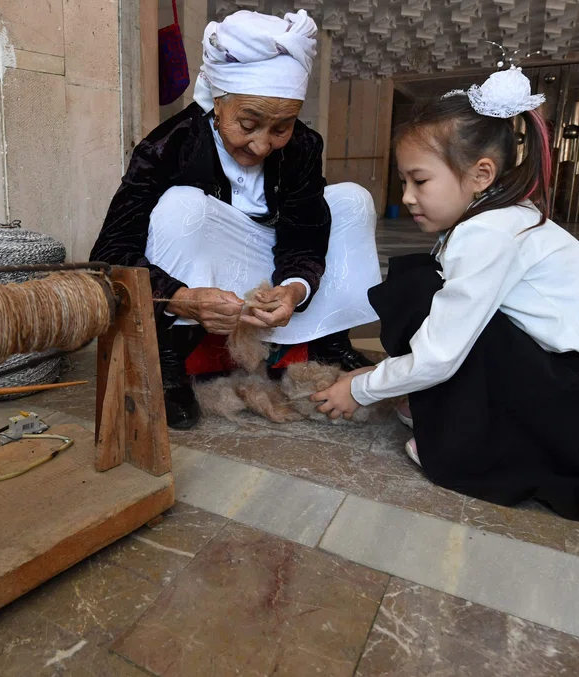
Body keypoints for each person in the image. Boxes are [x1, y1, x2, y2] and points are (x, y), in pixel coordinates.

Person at [313, 64, 579, 535]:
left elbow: (442, 353)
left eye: (419, 181)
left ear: (481, 174)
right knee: (421, 283)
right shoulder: (496, 216)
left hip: (576, 400)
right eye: (404, 182)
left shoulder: (488, 233)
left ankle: (470, 443)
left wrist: (359, 389)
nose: (408, 197)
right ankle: (444, 408)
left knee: (421, 296)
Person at [91, 9, 380, 430]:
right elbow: (111, 251)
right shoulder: (168, 146)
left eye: (281, 127)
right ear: (218, 101)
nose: (263, 145)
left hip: (270, 261)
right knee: (180, 204)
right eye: (248, 123)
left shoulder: (301, 146)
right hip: (207, 270)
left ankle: (329, 341)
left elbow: (304, 231)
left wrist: (294, 288)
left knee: (351, 200)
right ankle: (167, 355)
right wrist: (174, 296)